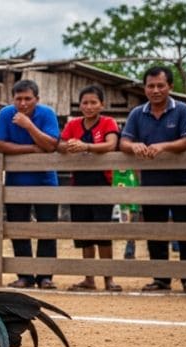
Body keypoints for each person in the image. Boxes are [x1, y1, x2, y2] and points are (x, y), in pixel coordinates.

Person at [120, 66, 186, 293]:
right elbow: (123, 142)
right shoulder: (137, 113)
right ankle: (161, 278)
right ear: (144, 88)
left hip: (181, 180)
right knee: (155, 230)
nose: (155, 90)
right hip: (151, 181)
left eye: (160, 85)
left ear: (170, 87)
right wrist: (133, 145)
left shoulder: (183, 110)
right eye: (151, 86)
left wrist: (162, 146)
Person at [0, 79, 60, 290]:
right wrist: (33, 149)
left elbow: (51, 145)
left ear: (37, 99)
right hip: (16, 182)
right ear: (12, 99)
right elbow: (1, 145)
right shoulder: (6, 114)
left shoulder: (47, 114)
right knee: (18, 228)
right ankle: (24, 275)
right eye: (18, 99)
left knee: (47, 229)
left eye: (27, 99)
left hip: (45, 181)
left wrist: (29, 125)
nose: (22, 103)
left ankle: (45, 276)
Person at [57, 85, 122, 292]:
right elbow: (59, 143)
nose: (89, 106)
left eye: (94, 102)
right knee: (84, 232)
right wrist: (68, 147)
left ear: (101, 104)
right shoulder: (74, 124)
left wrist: (85, 147)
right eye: (85, 102)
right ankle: (89, 278)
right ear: (80, 105)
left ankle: (108, 278)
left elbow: (111, 145)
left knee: (102, 232)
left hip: (102, 183)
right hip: (79, 185)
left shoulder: (108, 122)